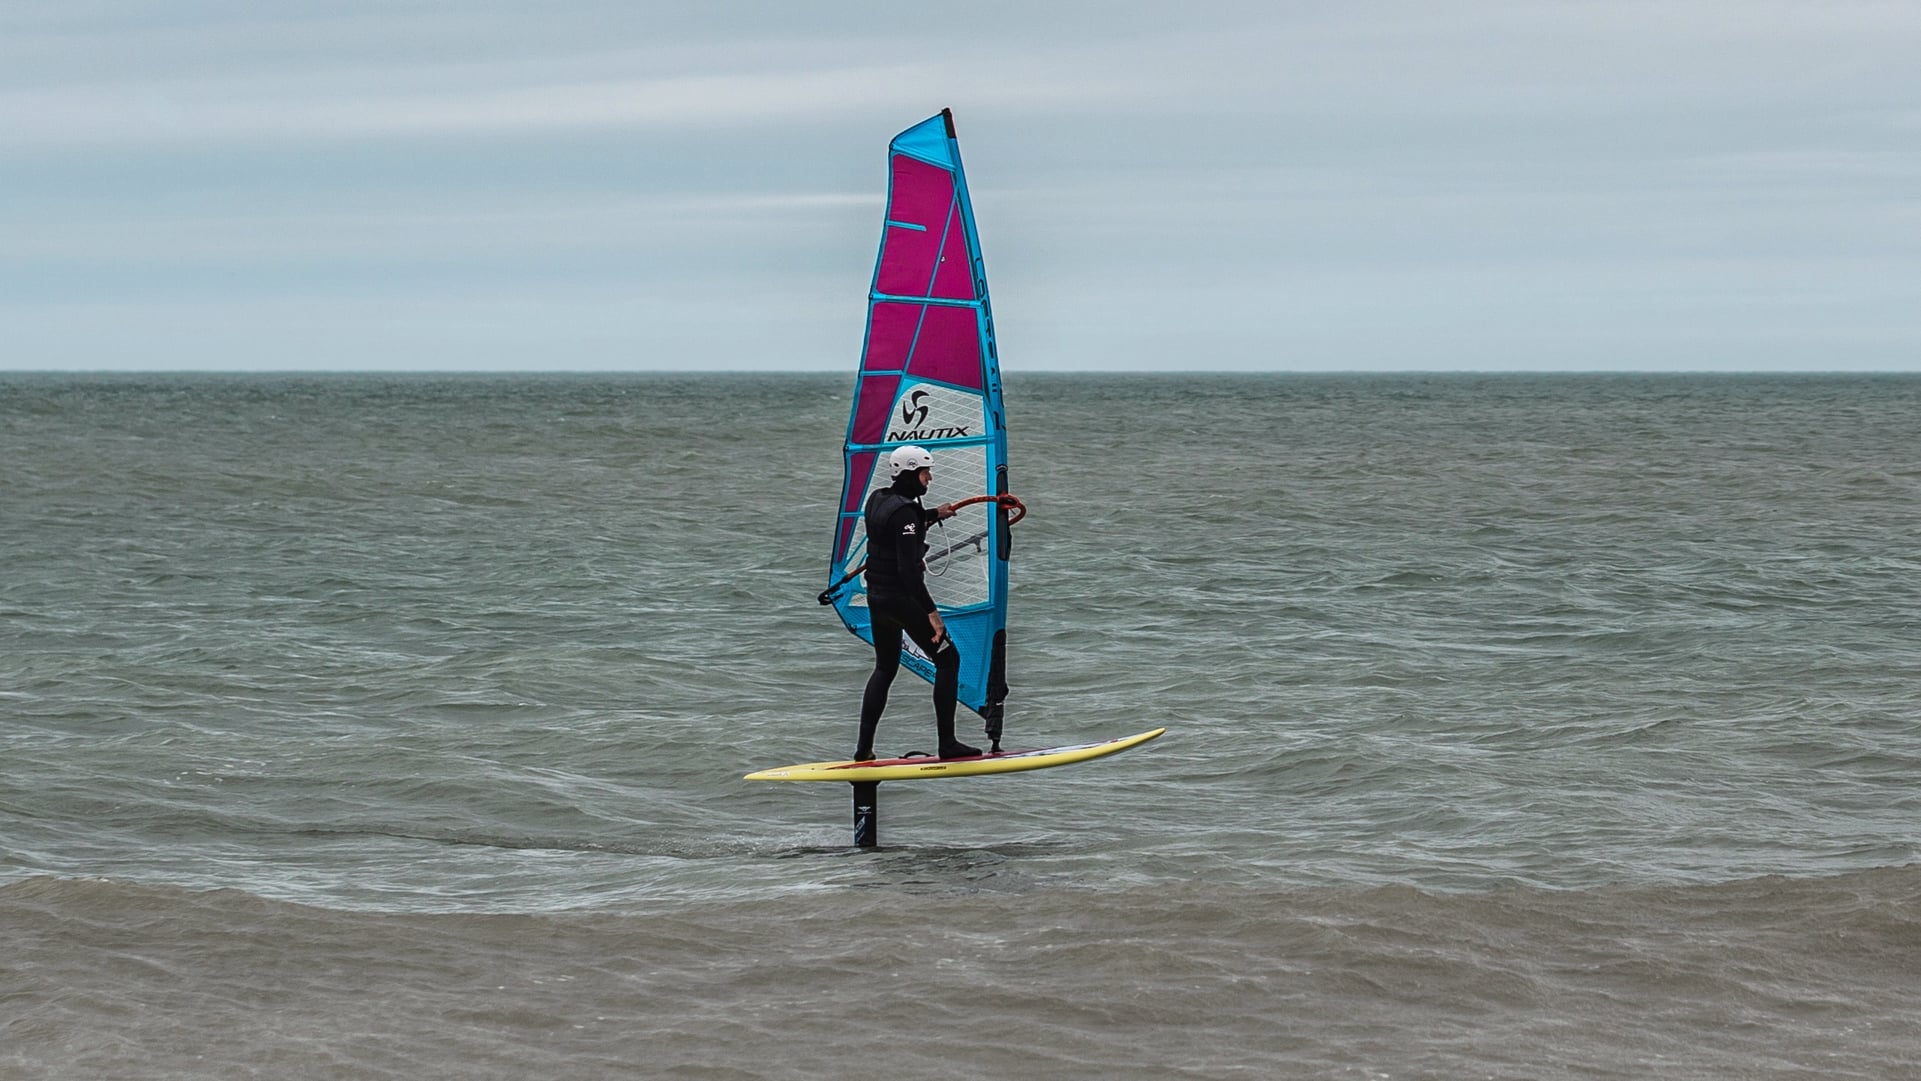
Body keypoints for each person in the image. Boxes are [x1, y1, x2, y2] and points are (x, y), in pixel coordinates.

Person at [854, 445, 981, 761]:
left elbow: (900, 525)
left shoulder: (877, 499)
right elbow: (909, 573)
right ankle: (948, 744)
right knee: (948, 660)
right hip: (901, 600)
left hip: (877, 599)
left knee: (884, 667)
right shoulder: (907, 511)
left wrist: (935, 513)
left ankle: (863, 750)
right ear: (911, 474)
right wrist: (932, 614)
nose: (930, 479)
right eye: (925, 473)